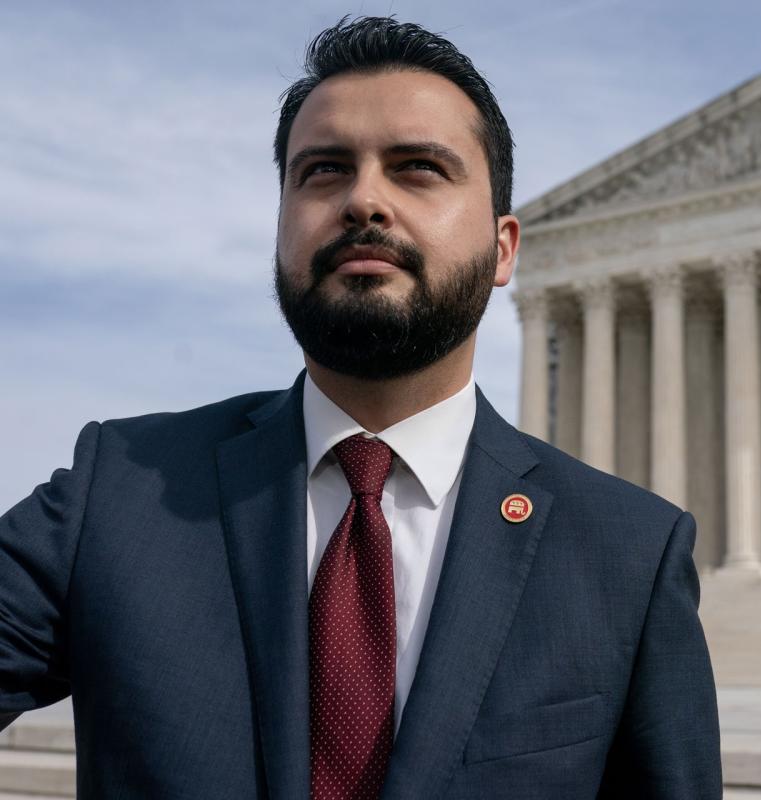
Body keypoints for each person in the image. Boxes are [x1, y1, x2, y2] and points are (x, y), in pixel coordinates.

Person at [0, 17, 722, 798]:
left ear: (504, 248)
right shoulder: (120, 492)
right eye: (323, 171)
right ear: (281, 229)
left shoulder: (627, 552)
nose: (364, 200)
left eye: (417, 168)